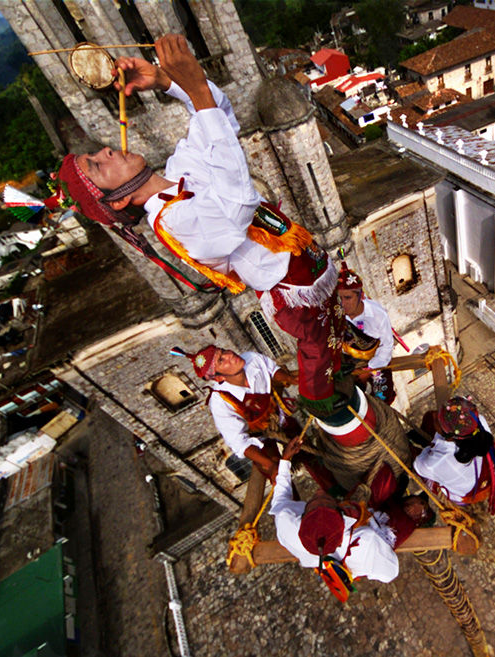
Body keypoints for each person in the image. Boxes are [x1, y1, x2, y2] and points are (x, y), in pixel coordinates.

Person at [54, 34, 342, 417]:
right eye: (98, 166)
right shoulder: (171, 222)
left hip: (300, 259)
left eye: (95, 154)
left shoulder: (178, 170)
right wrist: (195, 87)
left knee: (337, 323)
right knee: (318, 348)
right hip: (287, 286)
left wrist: (167, 83)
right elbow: (237, 205)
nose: (106, 151)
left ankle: (343, 365)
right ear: (119, 200)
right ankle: (322, 402)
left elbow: (220, 118)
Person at [192, 344, 333, 489]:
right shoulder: (221, 402)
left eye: (223, 351)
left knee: (307, 450)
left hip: (279, 418)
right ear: (219, 377)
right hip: (258, 439)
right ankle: (293, 506)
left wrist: (288, 378)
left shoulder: (251, 359)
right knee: (278, 477)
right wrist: (271, 466)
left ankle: (334, 491)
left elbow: (271, 369)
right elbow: (238, 441)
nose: (229, 355)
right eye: (221, 360)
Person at [270, 435, 402, 588]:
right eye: (326, 500)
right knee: (385, 479)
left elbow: (280, 498)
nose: (319, 491)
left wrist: (285, 460)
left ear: (304, 516)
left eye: (315, 499)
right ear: (341, 514)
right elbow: (390, 573)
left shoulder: (286, 524)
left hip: (329, 559)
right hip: (377, 527)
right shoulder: (366, 540)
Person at [413, 396, 495, 514]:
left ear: (450, 437)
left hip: (464, 491)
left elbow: (418, 465)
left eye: (438, 420)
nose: (435, 415)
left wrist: (428, 450)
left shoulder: (437, 464)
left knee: (411, 453)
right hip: (481, 475)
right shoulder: (477, 421)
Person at [336, 263, 397, 404]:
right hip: (350, 360)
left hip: (376, 359)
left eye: (348, 298)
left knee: (383, 398)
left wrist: (369, 370)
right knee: (349, 399)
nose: (343, 304)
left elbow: (387, 346)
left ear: (361, 295)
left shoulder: (378, 315)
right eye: (340, 299)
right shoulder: (336, 314)